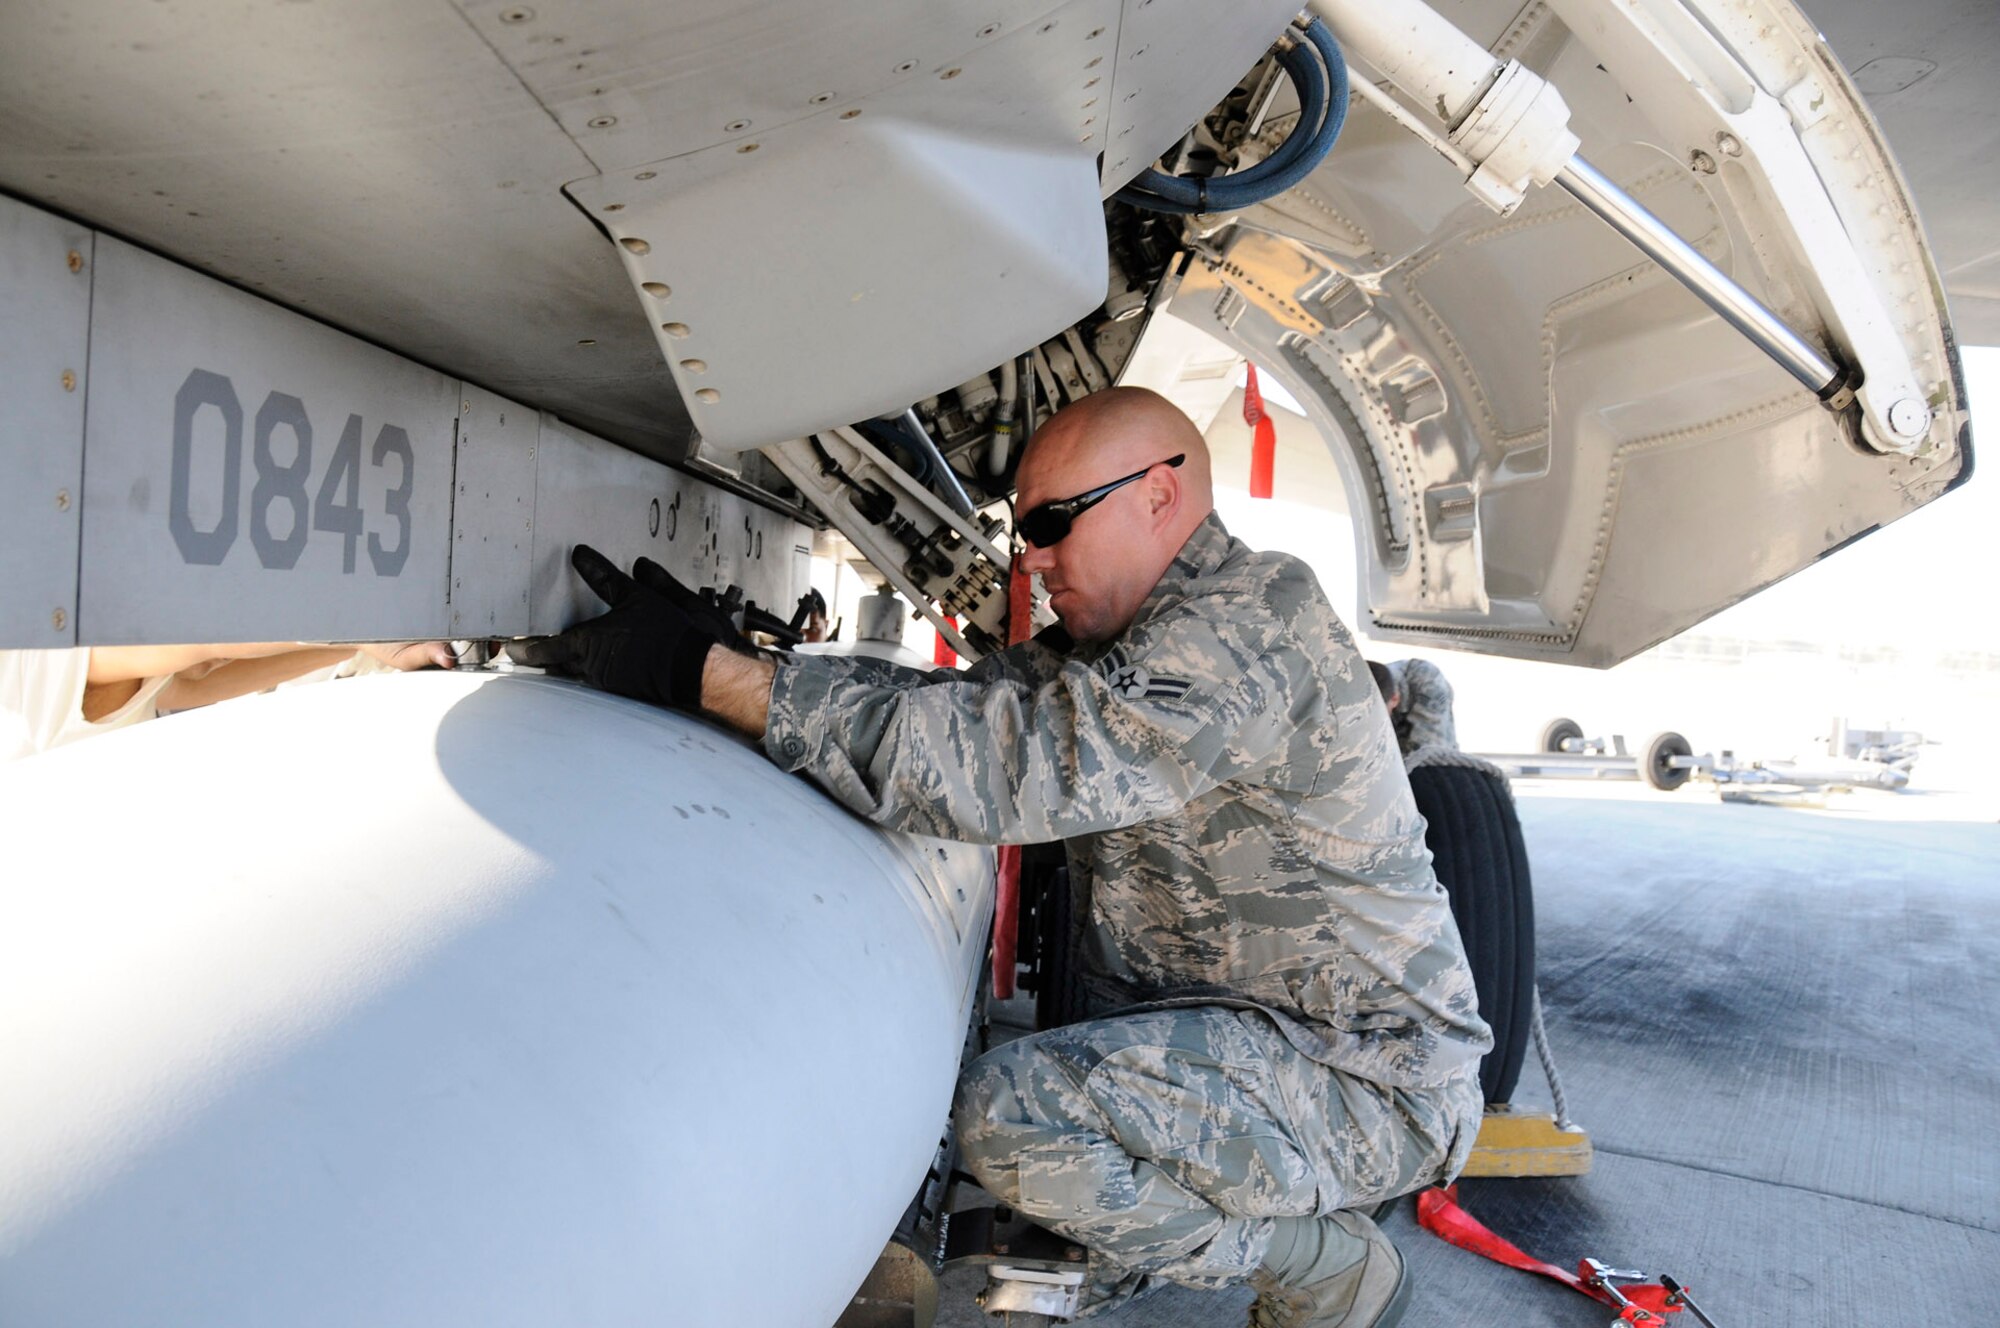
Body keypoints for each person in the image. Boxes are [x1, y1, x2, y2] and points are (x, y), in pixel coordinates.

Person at [513, 387, 1490, 1327]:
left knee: (1020, 1115)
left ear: (1159, 495)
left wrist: (710, 679)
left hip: (1363, 1075)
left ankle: (1327, 1267)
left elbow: (1015, 767)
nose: (1034, 559)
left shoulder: (1250, 619)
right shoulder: (1123, 640)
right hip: (1253, 1042)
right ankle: (1170, 1229)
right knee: (1058, 1173)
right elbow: (958, 709)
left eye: (1055, 522)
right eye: (1025, 531)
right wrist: (743, 661)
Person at [1, 640, 455, 762]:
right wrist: (361, 636)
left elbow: (194, 671)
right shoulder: (30, 679)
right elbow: (195, 662)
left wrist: (359, 639)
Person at [1370, 657, 1458, 757]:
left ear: (1395, 699)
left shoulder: (1429, 685)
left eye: (1375, 716)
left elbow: (1428, 755)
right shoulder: (1366, 683)